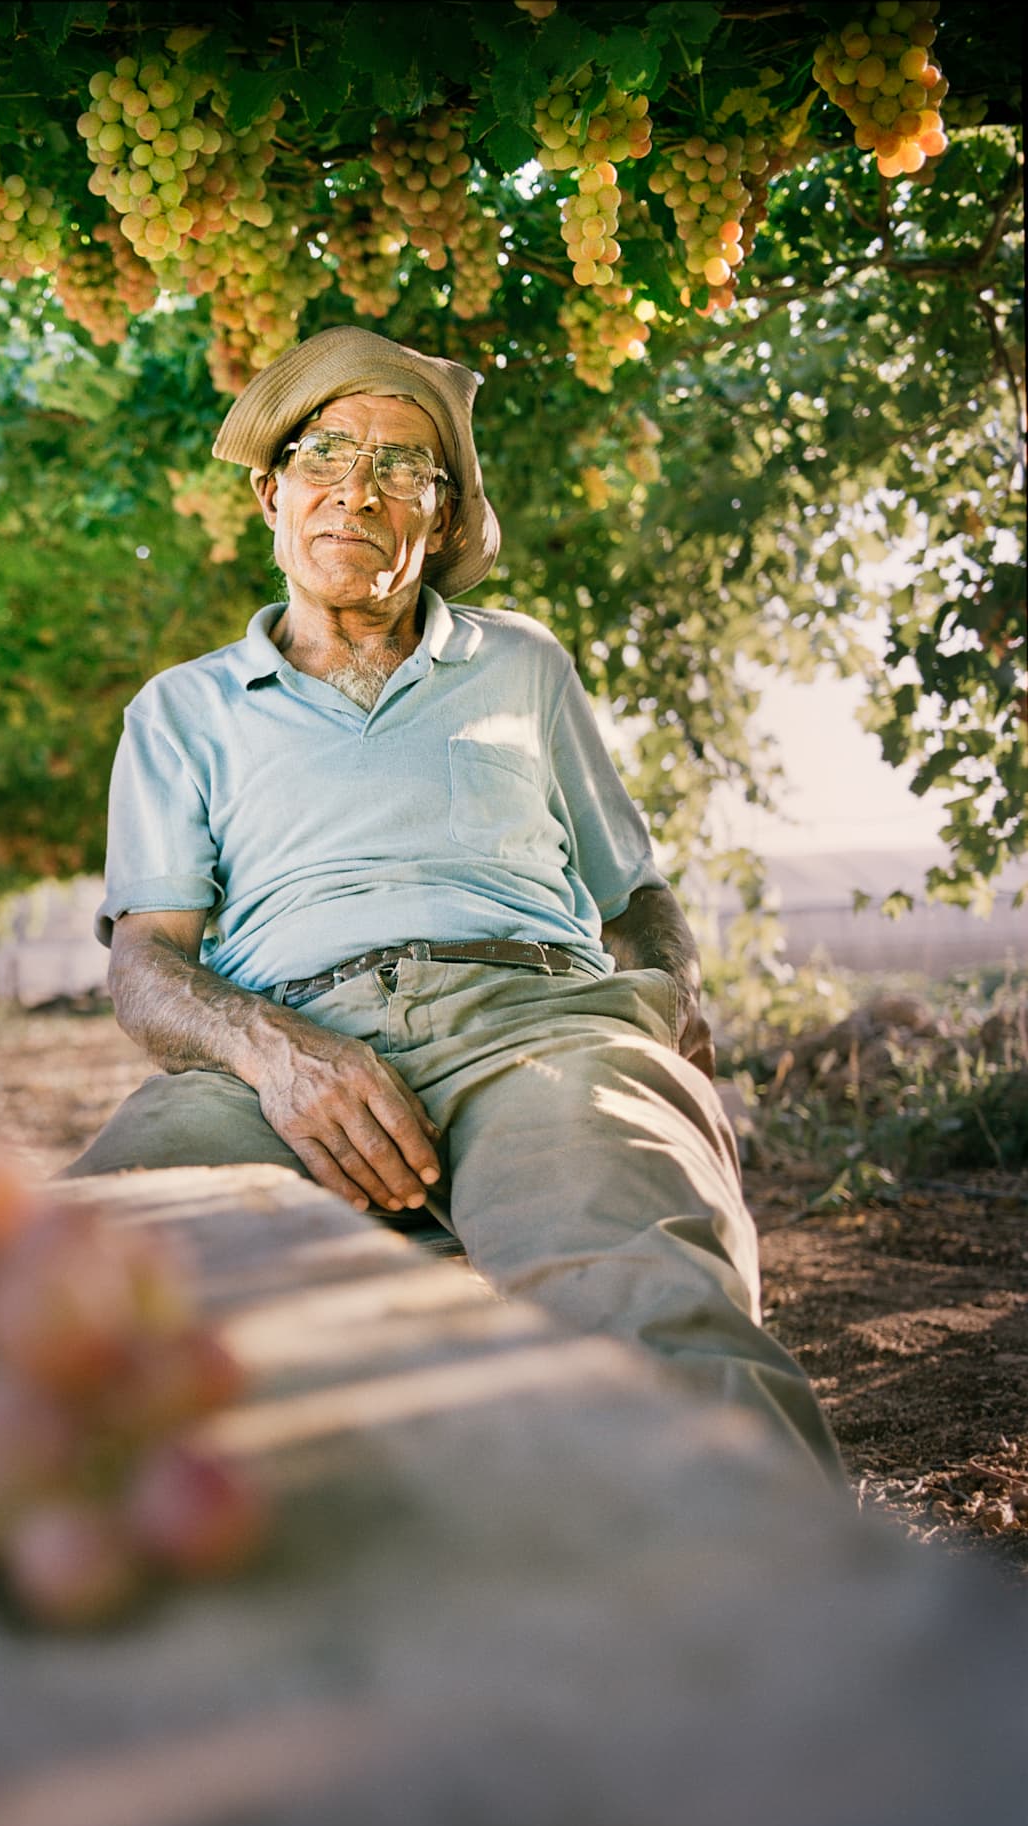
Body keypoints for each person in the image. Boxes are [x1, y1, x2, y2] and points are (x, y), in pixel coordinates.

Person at [64, 325, 842, 1479]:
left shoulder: (522, 665)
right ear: (270, 494)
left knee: (653, 1303)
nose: (358, 492)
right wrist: (278, 1053)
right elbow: (145, 965)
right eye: (326, 456)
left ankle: (794, 1613)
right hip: (273, 1061)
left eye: (400, 468)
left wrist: (667, 994)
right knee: (79, 1289)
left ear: (439, 517)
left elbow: (631, 890)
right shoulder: (180, 712)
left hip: (530, 1030)